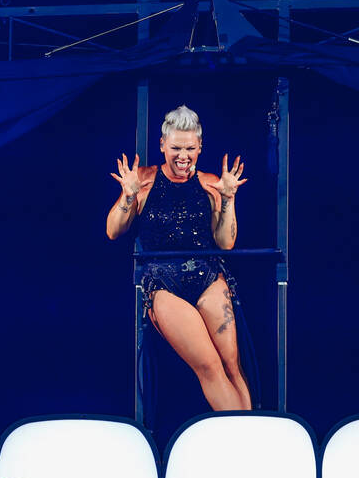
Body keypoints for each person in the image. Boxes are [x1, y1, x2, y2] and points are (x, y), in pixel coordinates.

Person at [106, 105, 251, 411]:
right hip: (164, 282)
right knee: (210, 366)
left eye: (190, 149)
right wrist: (128, 196)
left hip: (206, 276)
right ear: (162, 145)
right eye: (176, 148)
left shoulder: (210, 183)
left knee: (232, 366)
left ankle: (251, 430)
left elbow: (225, 243)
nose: (183, 156)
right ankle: (242, 432)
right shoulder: (144, 181)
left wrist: (228, 199)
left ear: (200, 147)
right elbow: (113, 231)